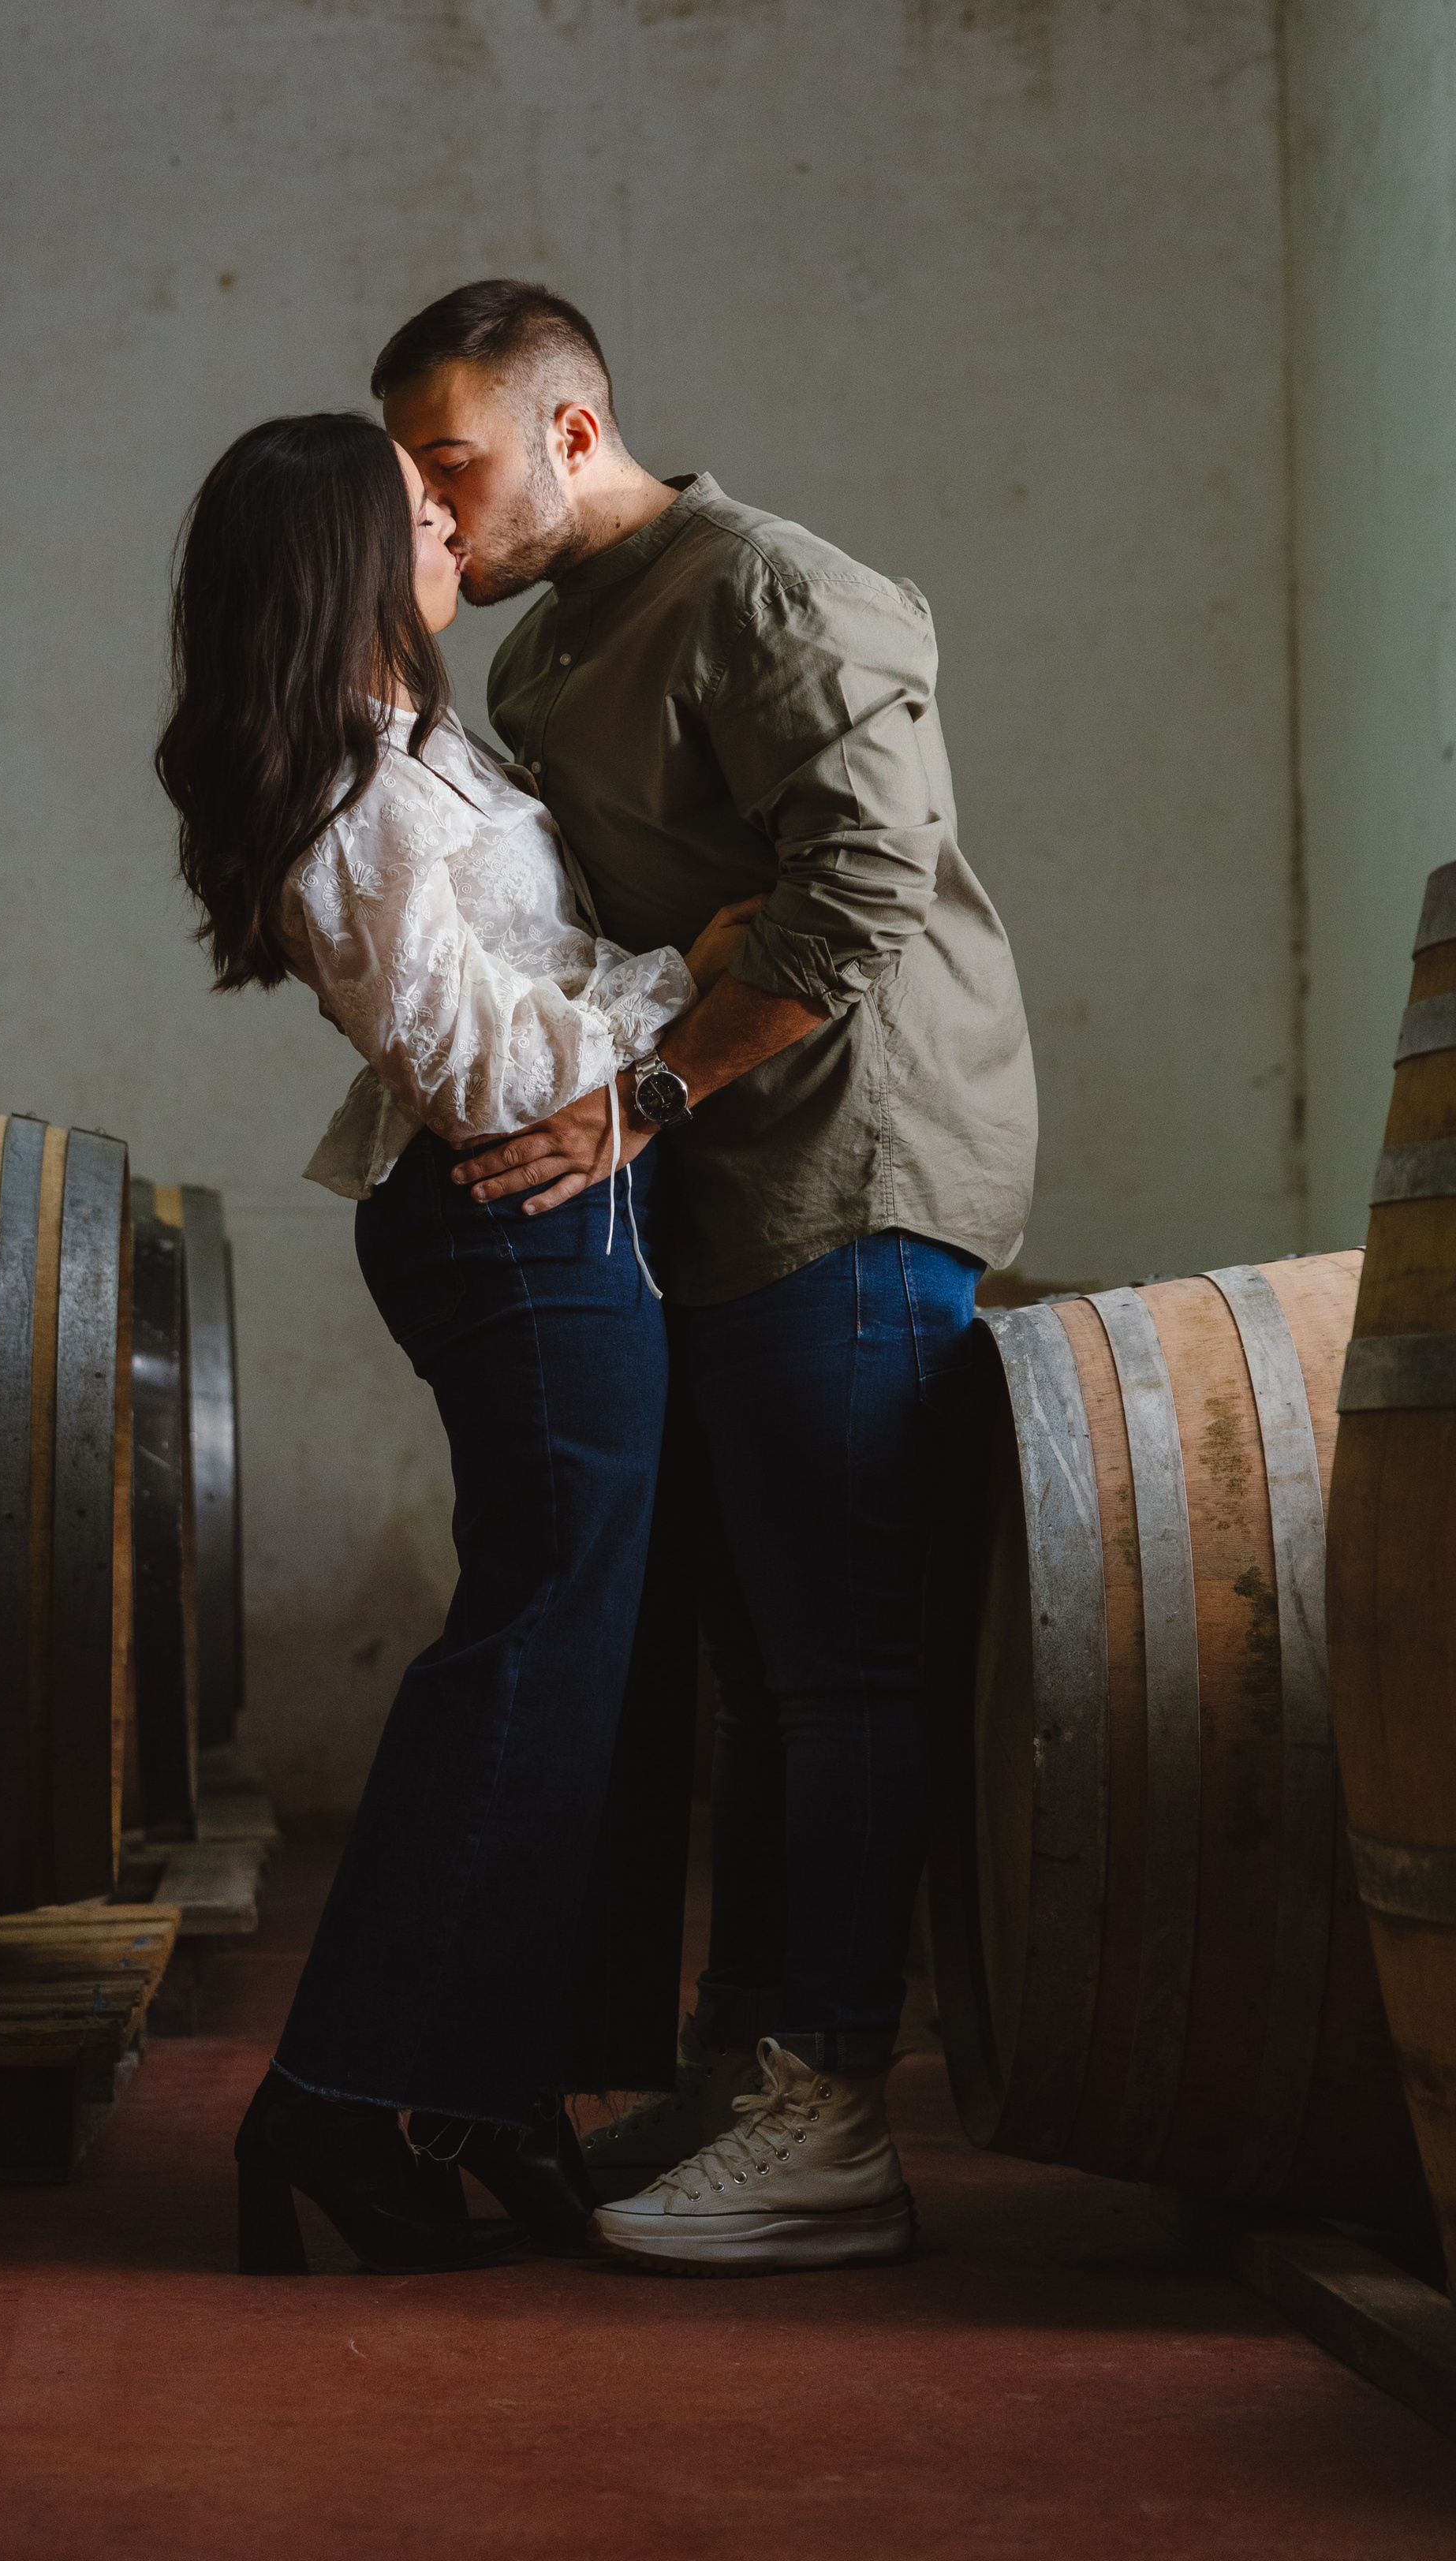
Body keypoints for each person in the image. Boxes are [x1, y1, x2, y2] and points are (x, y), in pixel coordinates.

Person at [373, 278, 1038, 2275]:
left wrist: (645, 1095)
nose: (427, 505)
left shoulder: (765, 587)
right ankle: (757, 2063)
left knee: (836, 1661)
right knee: (758, 1669)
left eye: (450, 463)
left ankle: (835, 2113)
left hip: (848, 1161)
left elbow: (864, 879)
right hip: (719, 1176)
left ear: (572, 433)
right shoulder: (561, 633)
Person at [154, 410, 757, 2276]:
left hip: (553, 1220)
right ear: (343, 554)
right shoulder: (348, 782)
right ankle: (336, 2097)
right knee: (529, 1649)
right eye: (414, 511)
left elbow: (510, 1003)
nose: (451, 527)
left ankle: (480, 2088)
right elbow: (478, 1065)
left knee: (588, 1652)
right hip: (507, 1223)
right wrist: (693, 973)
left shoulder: (420, 747)